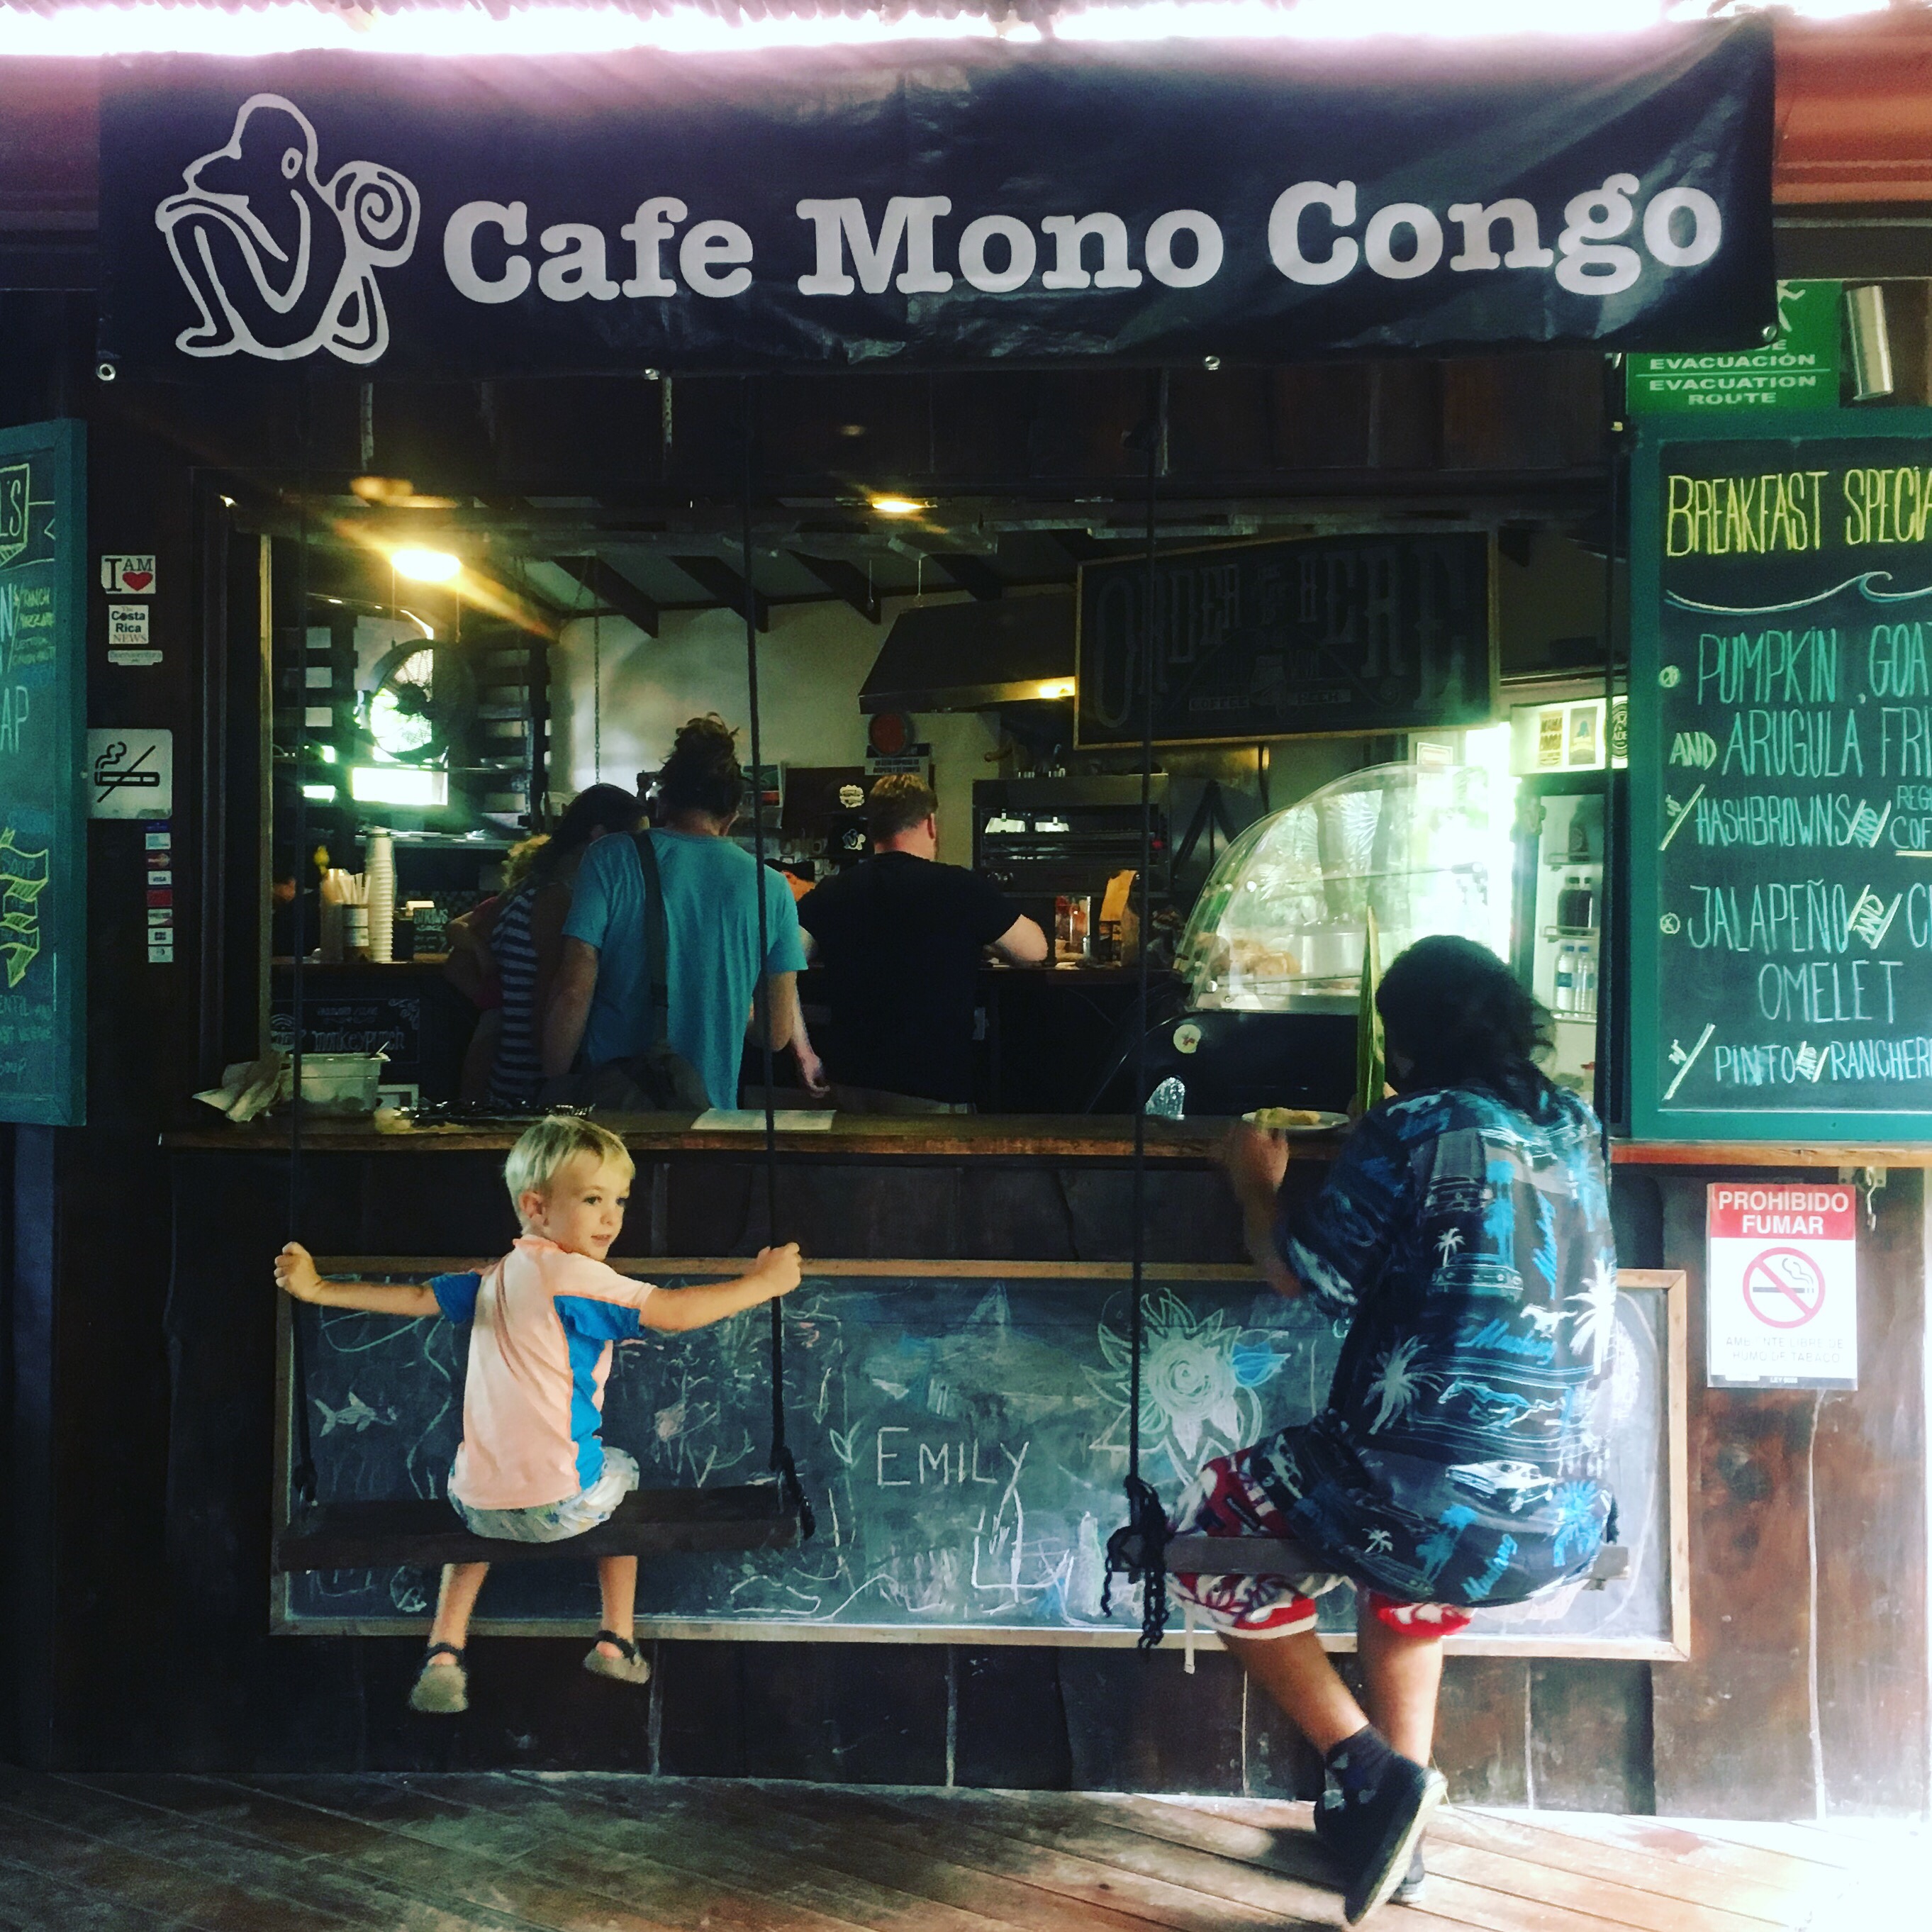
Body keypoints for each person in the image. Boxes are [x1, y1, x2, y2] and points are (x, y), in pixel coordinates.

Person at [1175, 935, 1616, 1923]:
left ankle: (1369, 1771)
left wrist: (1255, 1183)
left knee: (1210, 1525)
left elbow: (1300, 1276)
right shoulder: (1576, 1124)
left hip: (1426, 1504)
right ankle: (1396, 1831)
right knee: (1411, 1535)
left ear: (1402, 1042)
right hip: (1562, 1514)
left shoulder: (1411, 1125)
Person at [274, 1113, 803, 1715]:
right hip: (561, 1504)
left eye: (620, 1200)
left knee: (481, 1492)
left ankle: (444, 1650)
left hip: (475, 1506)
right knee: (621, 1471)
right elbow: (676, 1313)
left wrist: (320, 1289)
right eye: (593, 1199)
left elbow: (417, 1296)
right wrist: (763, 1281)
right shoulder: (577, 1277)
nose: (611, 1217)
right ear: (536, 1207)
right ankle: (616, 1637)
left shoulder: (493, 1277)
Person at [544, 717, 825, 1107]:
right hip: (708, 1111)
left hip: (615, 1105)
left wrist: (552, 1083)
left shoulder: (609, 859)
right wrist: (726, 1004)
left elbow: (573, 990)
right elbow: (776, 1033)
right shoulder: (772, 887)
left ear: (664, 802)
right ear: (733, 813)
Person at [797, 774, 1046, 1113]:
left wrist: (804, 1052)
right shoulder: (959, 887)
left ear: (872, 829)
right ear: (930, 824)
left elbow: (781, 963)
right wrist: (979, 938)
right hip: (933, 1091)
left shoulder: (833, 890)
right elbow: (1034, 951)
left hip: (850, 1086)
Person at [484, 786, 643, 1107]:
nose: (640, 854)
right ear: (600, 837)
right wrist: (555, 1084)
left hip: (508, 1074)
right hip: (531, 1088)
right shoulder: (559, 903)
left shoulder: (531, 886)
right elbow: (551, 999)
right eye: (635, 841)